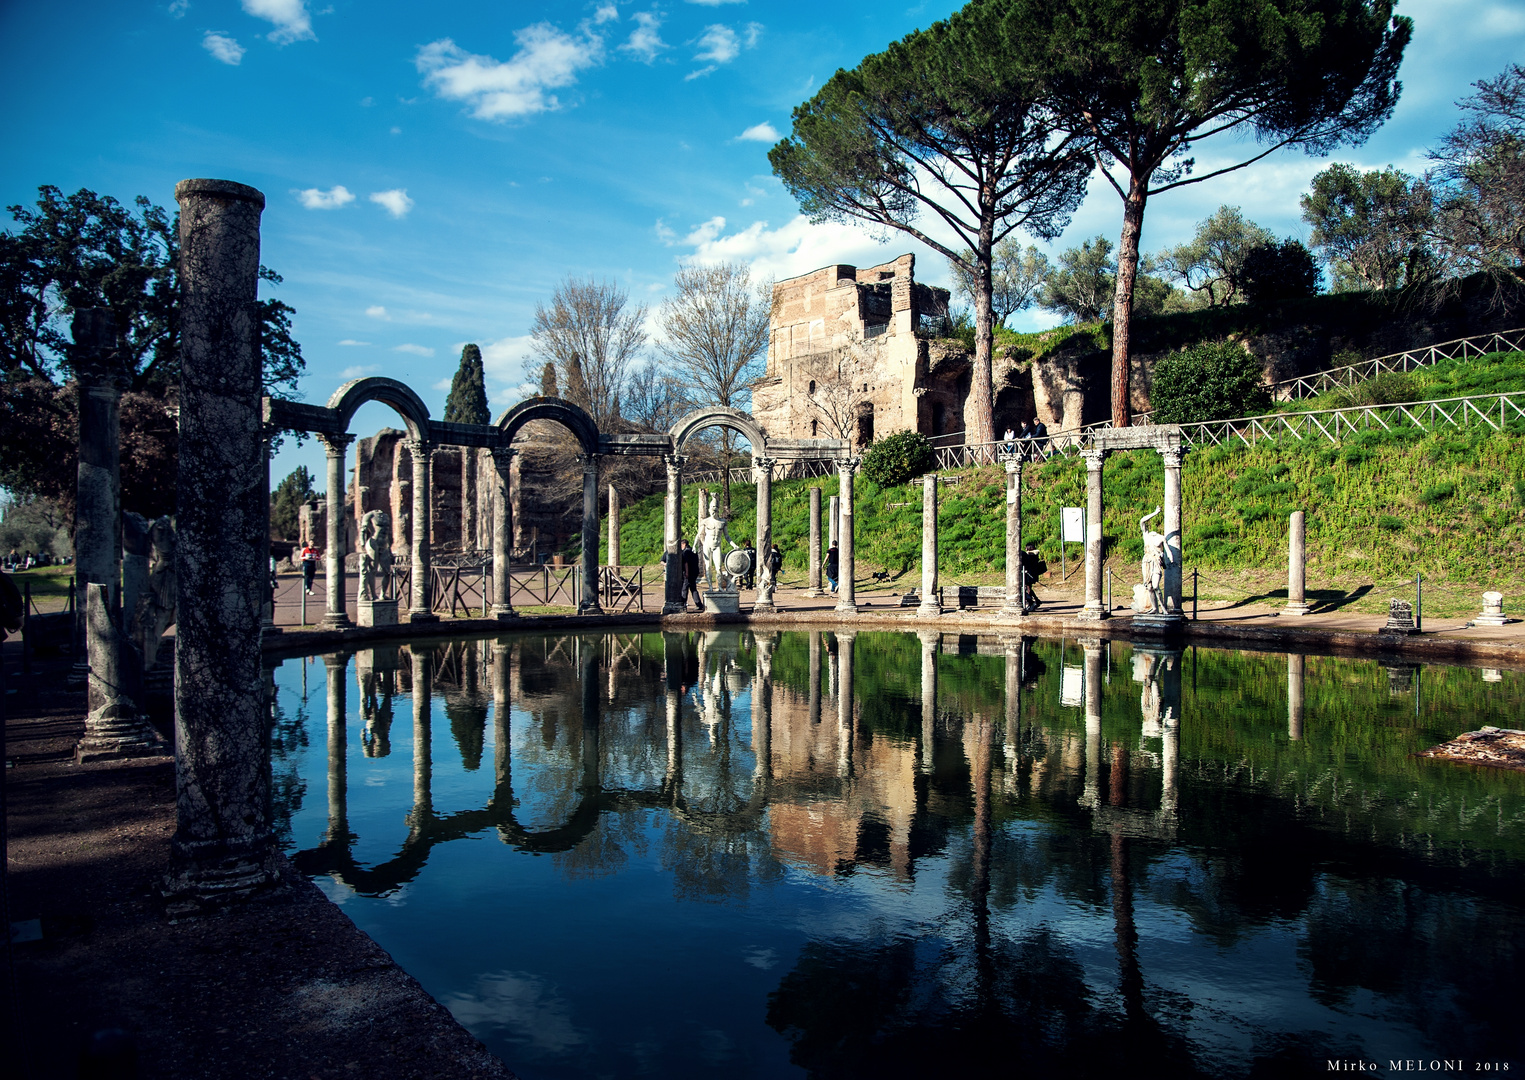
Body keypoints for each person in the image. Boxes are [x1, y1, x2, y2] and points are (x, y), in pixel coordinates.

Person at [1020, 543, 1047, 610]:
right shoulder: (1034, 554)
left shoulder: (1031, 555)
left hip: (1029, 574)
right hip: (1032, 574)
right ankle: (1036, 600)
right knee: (1028, 588)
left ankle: (1031, 602)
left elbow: (1028, 563)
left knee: (1028, 588)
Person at [681, 539, 702, 610]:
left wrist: (687, 572)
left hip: (688, 573)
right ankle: (699, 604)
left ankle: (683, 604)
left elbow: (686, 563)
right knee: (693, 588)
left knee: (685, 588)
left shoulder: (685, 553)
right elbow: (697, 562)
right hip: (694, 572)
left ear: (684, 544)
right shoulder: (693, 551)